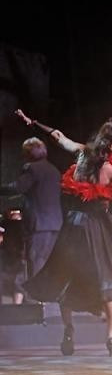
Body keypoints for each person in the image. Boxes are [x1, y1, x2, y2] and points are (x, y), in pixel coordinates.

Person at [19, 111, 112, 356]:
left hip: (71, 226)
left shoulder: (82, 153)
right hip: (95, 226)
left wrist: (33, 123)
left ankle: (69, 330)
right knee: (110, 277)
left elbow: (59, 137)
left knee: (68, 277)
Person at [0, 130, 63, 304]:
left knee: (35, 263)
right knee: (46, 264)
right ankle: (47, 303)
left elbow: (18, 187)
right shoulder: (54, 170)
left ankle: (38, 304)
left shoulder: (32, 168)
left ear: (28, 153)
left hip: (39, 225)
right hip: (55, 223)